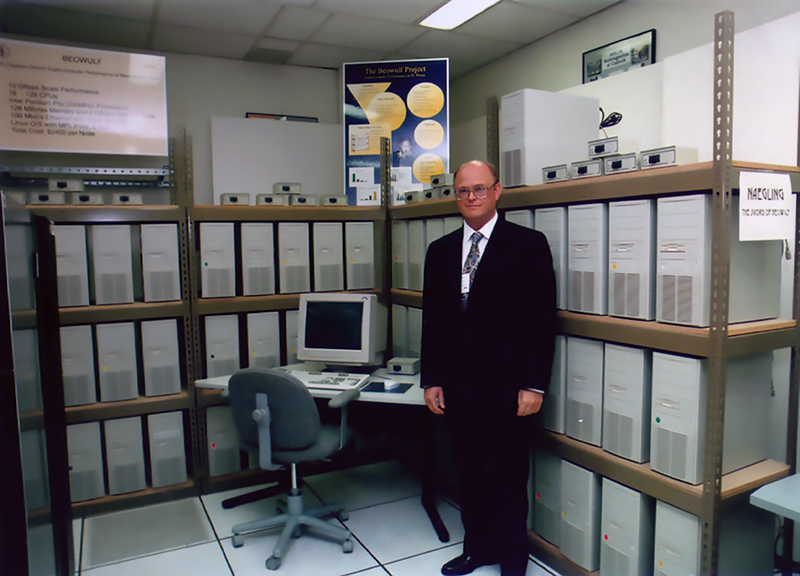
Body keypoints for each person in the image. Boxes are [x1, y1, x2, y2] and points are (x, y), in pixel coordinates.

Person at [421, 160, 557, 576]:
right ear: (455, 196)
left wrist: (534, 385)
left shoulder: (528, 244)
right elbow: (433, 322)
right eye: (463, 191)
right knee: (469, 474)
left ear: (497, 191)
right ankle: (476, 548)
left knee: (508, 477)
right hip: (459, 388)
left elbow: (541, 320)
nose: (471, 197)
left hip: (509, 388)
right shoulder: (440, 250)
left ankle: (513, 561)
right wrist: (432, 380)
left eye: (479, 189)